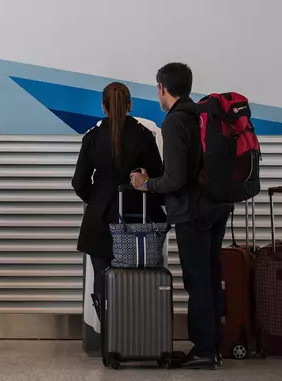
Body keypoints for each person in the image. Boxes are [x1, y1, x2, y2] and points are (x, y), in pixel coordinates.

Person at [131, 63, 230, 370]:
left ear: (162, 87)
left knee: (197, 280)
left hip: (192, 212)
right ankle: (213, 347)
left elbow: (175, 179)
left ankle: (202, 350)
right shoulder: (200, 115)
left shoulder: (174, 122)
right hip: (217, 205)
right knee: (211, 277)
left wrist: (145, 184)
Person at [71, 82, 166, 311]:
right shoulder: (144, 135)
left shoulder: (92, 137)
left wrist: (97, 201)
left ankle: (111, 340)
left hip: (101, 219)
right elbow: (159, 177)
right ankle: (139, 335)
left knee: (104, 284)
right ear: (130, 105)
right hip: (139, 218)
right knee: (141, 281)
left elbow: (79, 182)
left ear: (104, 107)